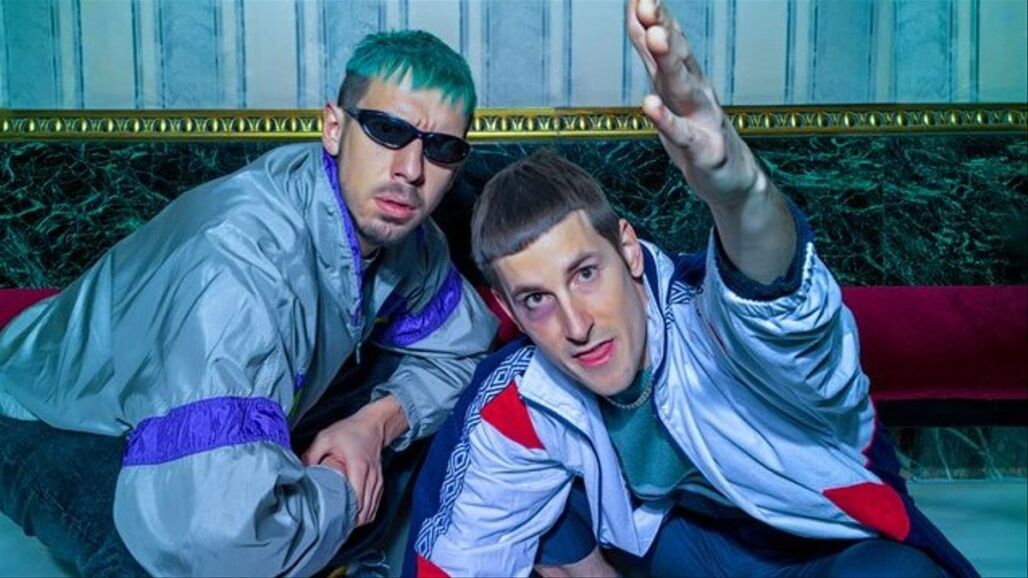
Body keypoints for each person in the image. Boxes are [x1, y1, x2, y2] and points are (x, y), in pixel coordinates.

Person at [403, 1, 977, 577]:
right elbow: (458, 549)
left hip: (820, 548)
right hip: (685, 553)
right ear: (509, 308)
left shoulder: (710, 325)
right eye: (536, 299)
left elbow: (776, 303)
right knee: (543, 513)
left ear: (628, 249)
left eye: (585, 273)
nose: (576, 325)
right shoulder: (522, 395)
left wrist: (740, 194)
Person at [0, 29, 497, 577]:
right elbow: (218, 537)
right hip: (50, 415)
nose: (411, 170)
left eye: (442, 148)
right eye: (387, 130)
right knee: (171, 560)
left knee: (434, 434)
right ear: (334, 129)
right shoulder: (240, 267)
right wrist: (344, 489)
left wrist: (375, 424)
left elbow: (466, 348)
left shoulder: (408, 240)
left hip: (180, 398)